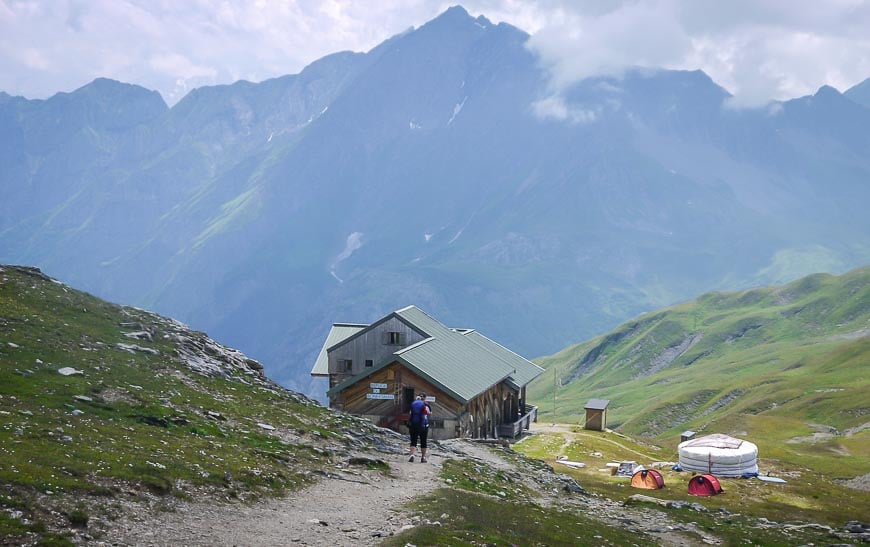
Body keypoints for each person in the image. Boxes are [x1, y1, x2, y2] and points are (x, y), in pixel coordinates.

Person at [408, 393, 431, 463]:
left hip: (414, 425)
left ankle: (412, 455)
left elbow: (410, 413)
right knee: (423, 441)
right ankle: (423, 457)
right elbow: (428, 413)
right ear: (424, 398)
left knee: (413, 440)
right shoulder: (426, 405)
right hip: (423, 425)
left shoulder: (413, 404)